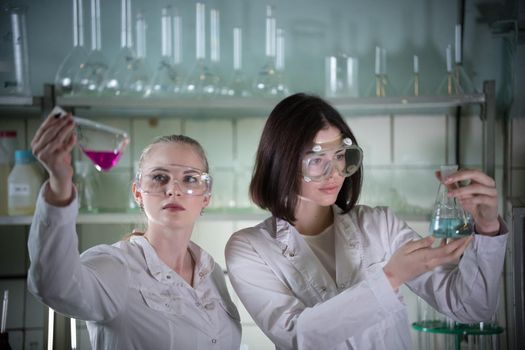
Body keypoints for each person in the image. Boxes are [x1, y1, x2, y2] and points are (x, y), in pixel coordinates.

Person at [225, 93, 507, 350]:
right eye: (315, 160)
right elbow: (299, 337)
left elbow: (472, 307)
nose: (334, 172)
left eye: (339, 156)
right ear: (282, 162)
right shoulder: (250, 248)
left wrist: (487, 227)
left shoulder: (379, 225)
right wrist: (391, 277)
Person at [27, 111, 241, 350]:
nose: (173, 189)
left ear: (206, 197)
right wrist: (59, 184)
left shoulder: (211, 273)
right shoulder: (116, 266)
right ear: (138, 192)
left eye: (190, 179)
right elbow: (56, 286)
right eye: (160, 177)